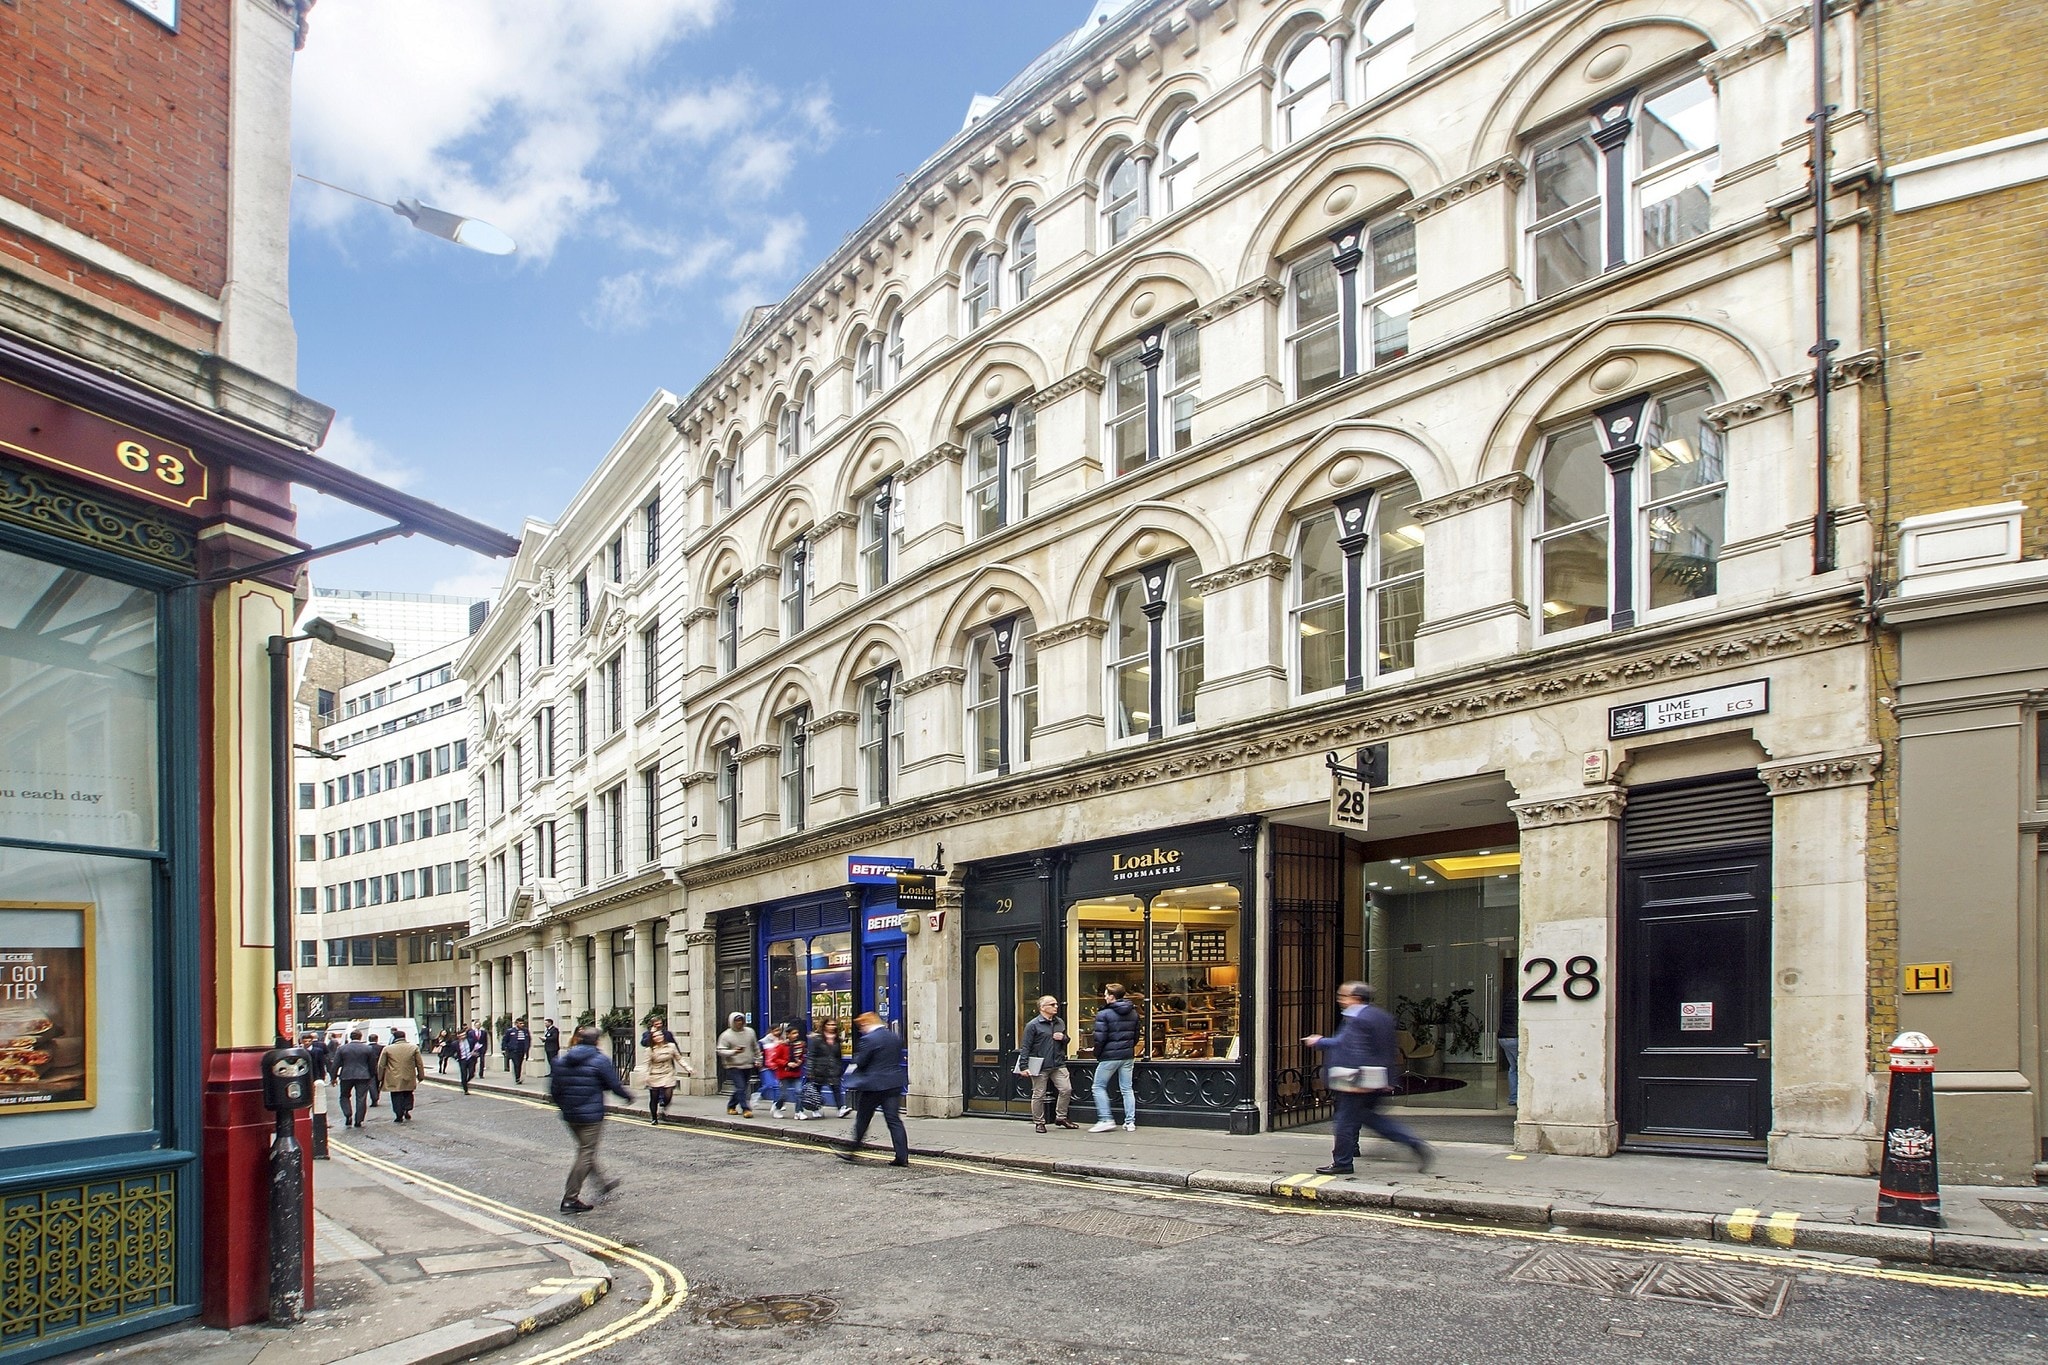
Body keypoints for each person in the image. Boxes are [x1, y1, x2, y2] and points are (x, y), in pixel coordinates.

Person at [1305, 980, 1433, 1175]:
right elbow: (1388, 1049)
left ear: (1356, 998)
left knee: (1344, 1122)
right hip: (1376, 1079)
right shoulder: (1381, 1016)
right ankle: (1413, 1143)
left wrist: (1320, 1042)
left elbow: (1352, 1048)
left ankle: (1342, 1162)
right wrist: (1388, 1078)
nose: (1341, 1000)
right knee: (1371, 1119)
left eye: (1344, 996)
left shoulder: (1358, 1018)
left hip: (1356, 1081)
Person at [550, 1025, 633, 1212]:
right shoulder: (599, 1060)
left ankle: (602, 1183)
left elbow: (554, 1089)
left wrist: (563, 1106)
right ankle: (570, 1198)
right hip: (591, 1115)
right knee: (586, 1153)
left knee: (585, 1150)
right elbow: (613, 1084)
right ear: (596, 1041)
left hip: (570, 1114)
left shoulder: (562, 1060)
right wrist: (627, 1096)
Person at [837, 1012, 909, 1166]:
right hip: (893, 1084)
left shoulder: (868, 1040)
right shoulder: (894, 1037)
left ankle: (851, 1152)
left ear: (865, 1024)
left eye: (861, 1026)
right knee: (894, 1120)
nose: (861, 1030)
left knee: (862, 1120)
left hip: (873, 1086)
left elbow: (861, 1062)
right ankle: (902, 1157)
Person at [1018, 995, 1078, 1134]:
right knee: (1039, 1094)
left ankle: (1061, 1117)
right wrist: (1024, 1066)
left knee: (1066, 1089)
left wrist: (1063, 1038)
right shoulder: (1033, 1025)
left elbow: (1067, 1039)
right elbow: (1025, 1046)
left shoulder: (1059, 1022)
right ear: (1042, 1008)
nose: (1056, 1006)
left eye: (1056, 1004)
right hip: (1040, 1064)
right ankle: (1039, 1122)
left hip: (1058, 1063)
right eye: (1052, 1004)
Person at [1089, 983, 1141, 1132]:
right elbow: (1136, 1035)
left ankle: (1105, 1119)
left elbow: (1100, 1038)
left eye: (1106, 994)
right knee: (1127, 1088)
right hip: (1127, 1056)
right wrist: (1128, 1047)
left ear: (1112, 997)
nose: (1104, 996)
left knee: (1098, 1086)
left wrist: (1097, 1053)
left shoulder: (1103, 1014)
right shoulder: (1133, 1012)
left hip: (1109, 1056)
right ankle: (1130, 1122)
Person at [641, 1022, 690, 1125]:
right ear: (652, 1038)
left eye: (660, 1035)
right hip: (654, 1074)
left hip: (668, 1073)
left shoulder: (671, 1046)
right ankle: (654, 1117)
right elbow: (646, 1064)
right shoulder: (649, 1050)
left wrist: (688, 1068)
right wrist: (645, 1076)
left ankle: (664, 1106)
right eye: (656, 1036)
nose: (659, 1037)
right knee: (654, 1098)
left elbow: (679, 1058)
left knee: (668, 1095)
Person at [715, 1012, 761, 1118]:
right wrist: (733, 1052)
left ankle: (731, 1106)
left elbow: (755, 1047)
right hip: (733, 1065)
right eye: (736, 1021)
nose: (739, 1023)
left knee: (742, 1088)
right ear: (732, 1022)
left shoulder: (750, 1032)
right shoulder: (726, 1035)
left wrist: (759, 1059)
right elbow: (720, 1051)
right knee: (740, 1087)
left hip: (747, 1064)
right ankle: (746, 1109)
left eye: (741, 1020)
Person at [801, 1018, 846, 1119]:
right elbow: (811, 1055)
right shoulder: (817, 1039)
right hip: (819, 1069)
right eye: (829, 1024)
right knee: (816, 1090)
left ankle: (840, 1108)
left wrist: (839, 1068)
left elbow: (838, 1056)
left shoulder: (837, 1040)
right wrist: (810, 1070)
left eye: (833, 1025)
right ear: (824, 1026)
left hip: (833, 1068)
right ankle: (816, 1109)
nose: (831, 1027)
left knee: (836, 1088)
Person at [378, 1027, 426, 1122]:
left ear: (394, 1037)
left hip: (393, 1077)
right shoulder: (413, 1047)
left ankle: (398, 1114)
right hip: (408, 1075)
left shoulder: (387, 1049)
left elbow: (381, 1065)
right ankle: (407, 1109)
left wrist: (380, 1077)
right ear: (404, 1037)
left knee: (396, 1095)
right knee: (408, 1093)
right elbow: (419, 1063)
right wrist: (421, 1076)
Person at [333, 1029, 376, 1128]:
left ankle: (348, 1114)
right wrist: (371, 1075)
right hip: (363, 1076)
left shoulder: (342, 1049)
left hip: (346, 1076)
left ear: (350, 1037)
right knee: (361, 1098)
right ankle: (358, 1120)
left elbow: (336, 1064)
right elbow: (372, 1064)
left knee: (344, 1096)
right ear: (360, 1037)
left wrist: (333, 1077)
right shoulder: (368, 1049)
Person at [1496, 978, 1520, 1108]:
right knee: (1521, 1068)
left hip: (1503, 1037)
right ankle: (1519, 1098)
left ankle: (1513, 1098)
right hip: (1514, 1037)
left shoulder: (1508, 998)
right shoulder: (1520, 1000)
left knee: (1513, 1069)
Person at [503, 1017, 533, 1085]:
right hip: (514, 1051)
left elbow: (528, 1040)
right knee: (516, 1064)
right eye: (520, 1023)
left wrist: (527, 1048)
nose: (522, 1025)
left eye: (523, 1023)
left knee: (519, 1064)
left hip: (522, 1050)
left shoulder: (525, 1031)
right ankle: (517, 1078)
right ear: (516, 1024)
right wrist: (504, 1049)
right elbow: (505, 1040)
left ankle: (518, 1076)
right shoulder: (510, 1031)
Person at [365, 1032, 385, 1109]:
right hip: (380, 1068)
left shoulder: (366, 1048)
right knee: (378, 1084)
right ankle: (376, 1096)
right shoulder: (382, 1048)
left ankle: (374, 1099)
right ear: (377, 1039)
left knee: (372, 1085)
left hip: (369, 1069)